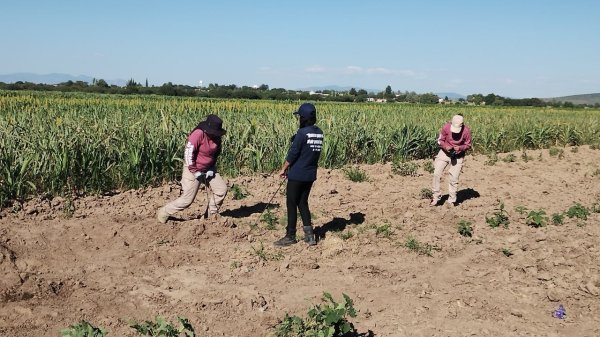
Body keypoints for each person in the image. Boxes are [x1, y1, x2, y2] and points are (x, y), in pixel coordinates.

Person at [157, 114, 228, 223]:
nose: (214, 134)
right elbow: (188, 153)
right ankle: (163, 212)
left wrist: (211, 168)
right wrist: (195, 172)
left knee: (221, 189)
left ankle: (210, 216)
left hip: (209, 168)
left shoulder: (217, 138)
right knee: (187, 200)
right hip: (193, 168)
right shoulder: (198, 134)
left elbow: (216, 154)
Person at [274, 103, 324, 247]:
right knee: (303, 202)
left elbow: (293, 153)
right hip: (310, 174)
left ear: (302, 118)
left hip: (297, 174)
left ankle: (290, 235)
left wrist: (283, 168)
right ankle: (310, 236)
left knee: (291, 203)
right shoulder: (319, 132)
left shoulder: (302, 134)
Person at [431, 114, 472, 207]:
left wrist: (460, 148)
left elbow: (468, 145)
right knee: (436, 173)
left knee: (454, 178)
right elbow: (440, 140)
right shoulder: (446, 127)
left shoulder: (466, 131)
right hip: (444, 152)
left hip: (458, 155)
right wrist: (446, 146)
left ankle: (452, 200)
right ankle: (436, 197)